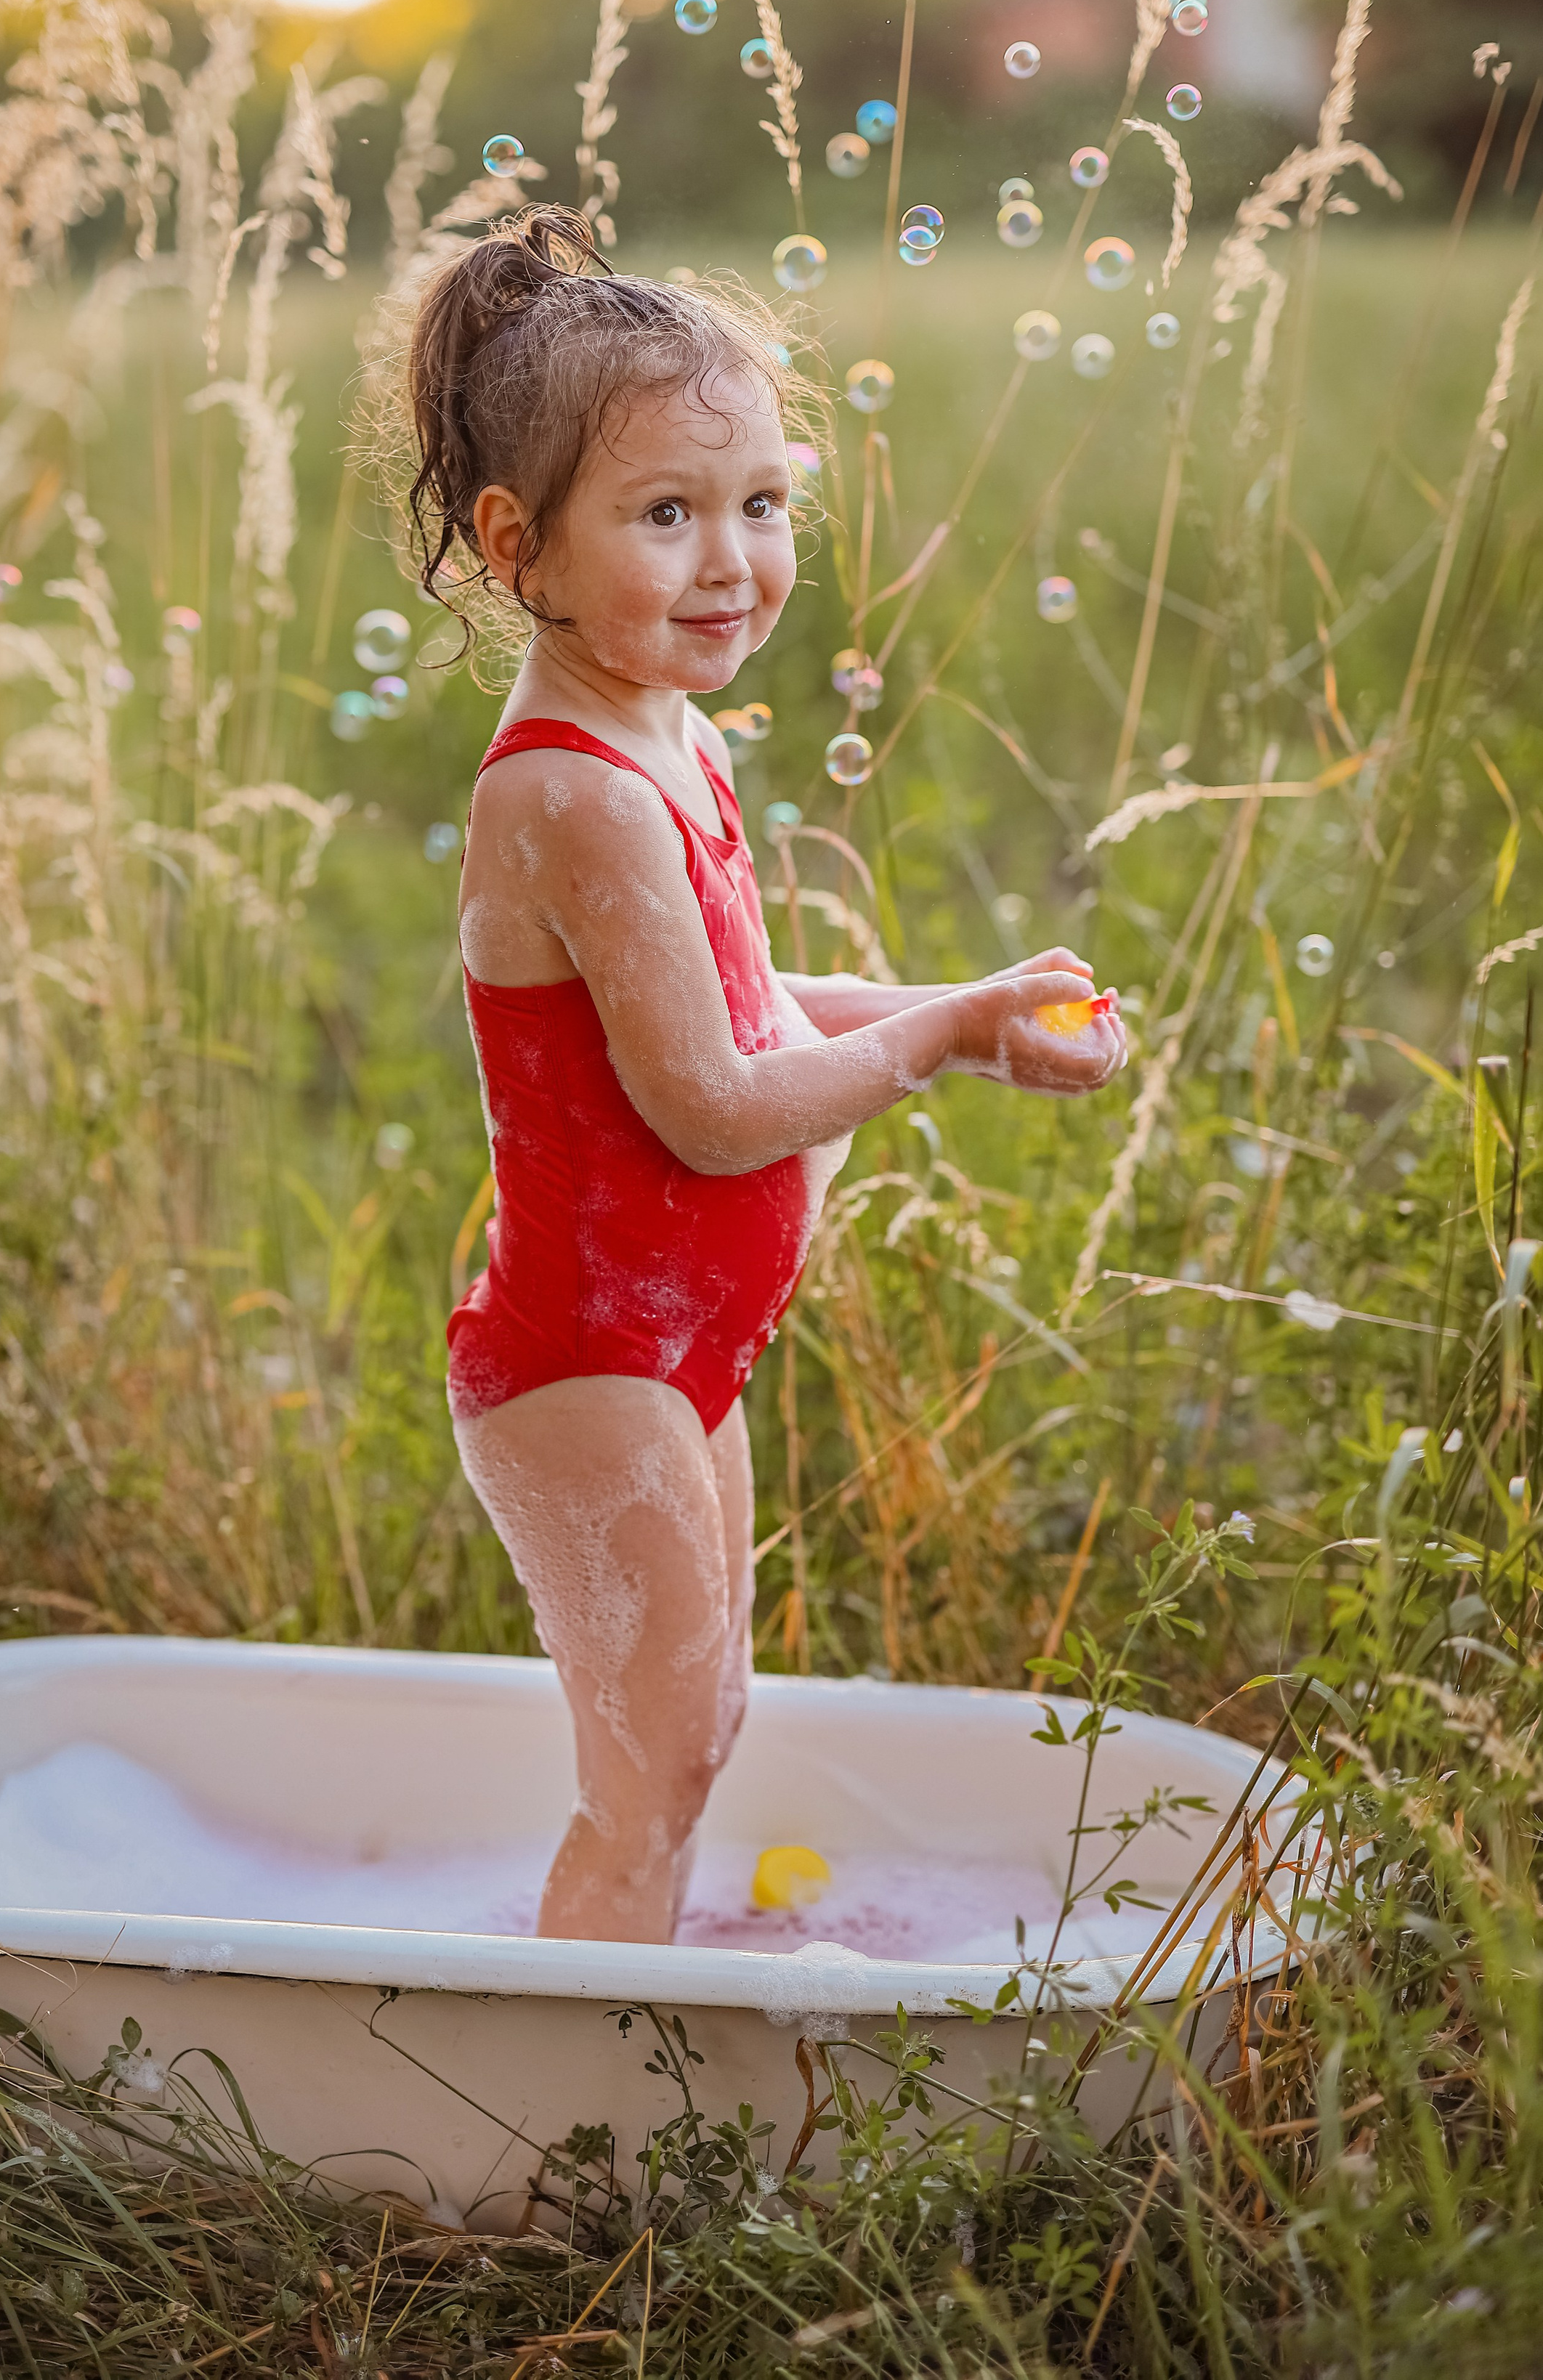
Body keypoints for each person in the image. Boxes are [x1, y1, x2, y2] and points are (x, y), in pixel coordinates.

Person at [381, 206, 1128, 1946]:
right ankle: (567, 2144)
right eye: (664, 515)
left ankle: (625, 2025)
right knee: (641, 1771)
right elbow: (709, 1100)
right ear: (520, 549)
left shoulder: (665, 729)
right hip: (586, 1355)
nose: (730, 561)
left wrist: (969, 997)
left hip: (676, 1343)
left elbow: (740, 991)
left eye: (760, 504)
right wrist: (931, 1040)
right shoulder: (560, 788)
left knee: (696, 1733)